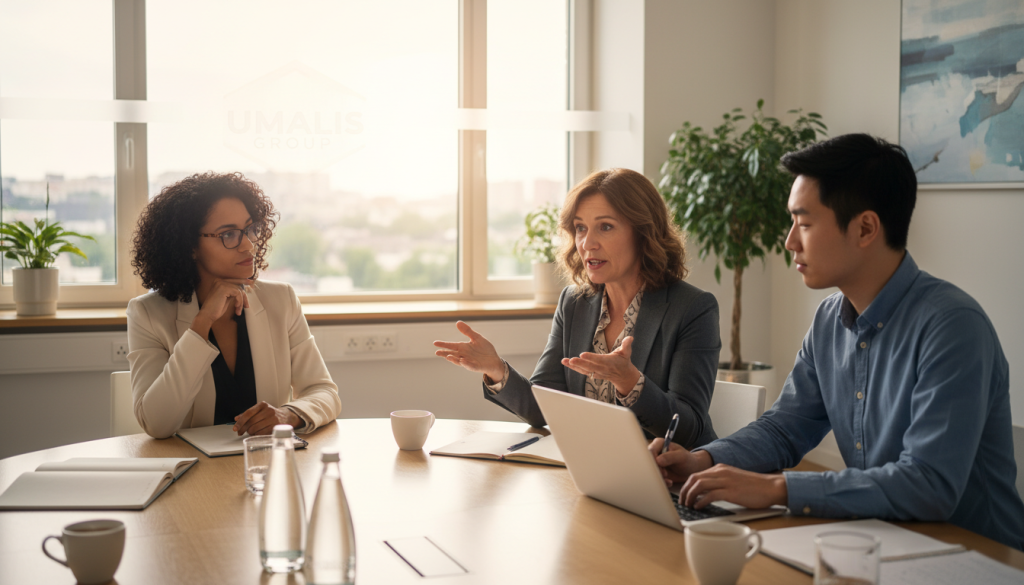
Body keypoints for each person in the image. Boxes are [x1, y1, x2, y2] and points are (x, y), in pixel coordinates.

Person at [650, 134, 1024, 550]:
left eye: (804, 223)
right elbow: (785, 429)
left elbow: (929, 484)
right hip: (881, 540)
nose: (790, 241)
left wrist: (779, 490)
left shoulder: (953, 326)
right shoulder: (830, 318)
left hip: (978, 557)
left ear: (865, 228)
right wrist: (704, 460)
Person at [434, 168, 721, 448]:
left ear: (644, 233)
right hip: (589, 469)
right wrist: (496, 369)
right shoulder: (574, 303)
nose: (587, 243)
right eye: (580, 228)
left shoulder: (693, 309)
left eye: (605, 227)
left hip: (669, 479)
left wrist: (630, 382)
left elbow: (689, 430)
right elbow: (542, 407)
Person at [127, 172, 341, 439]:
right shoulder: (148, 314)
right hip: (196, 472)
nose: (249, 245)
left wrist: (288, 414)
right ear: (189, 246)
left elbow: (324, 391)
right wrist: (201, 325)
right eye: (229, 234)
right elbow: (157, 424)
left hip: (268, 466)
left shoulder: (281, 299)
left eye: (250, 230)